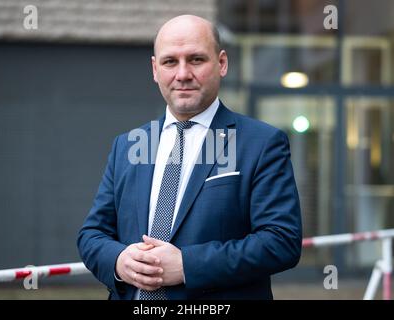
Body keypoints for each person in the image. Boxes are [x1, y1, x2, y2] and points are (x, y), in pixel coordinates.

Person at [77, 14, 302, 300]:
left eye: (196, 59)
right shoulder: (129, 146)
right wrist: (120, 261)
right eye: (170, 61)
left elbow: (281, 242)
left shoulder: (261, 144)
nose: (182, 74)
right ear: (155, 69)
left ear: (221, 63)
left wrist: (187, 265)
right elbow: (92, 234)